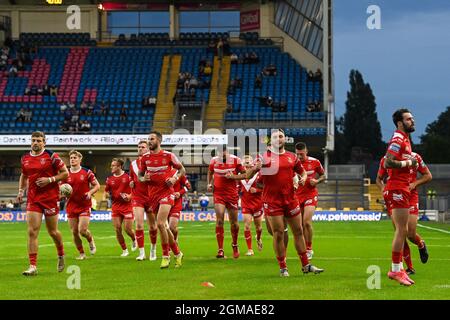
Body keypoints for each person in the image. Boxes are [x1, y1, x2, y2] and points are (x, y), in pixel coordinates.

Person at [245, 129, 324, 277]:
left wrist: (303, 177)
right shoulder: (263, 157)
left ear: (284, 139)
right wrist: (254, 168)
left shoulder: (292, 157)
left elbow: (303, 172)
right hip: (272, 202)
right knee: (279, 234)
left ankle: (306, 265)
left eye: (281, 136)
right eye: (275, 137)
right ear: (271, 140)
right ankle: (283, 268)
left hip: (291, 199)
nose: (279, 139)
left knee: (299, 231)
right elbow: (249, 175)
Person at [16, 131, 69, 276]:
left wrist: (50, 180)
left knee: (53, 231)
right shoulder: (25, 158)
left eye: (39, 140)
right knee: (32, 231)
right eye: (33, 140)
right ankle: (32, 266)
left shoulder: (51, 156)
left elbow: (65, 173)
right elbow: (24, 175)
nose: (36, 143)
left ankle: (61, 254)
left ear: (44, 142)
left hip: (50, 198)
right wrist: (21, 191)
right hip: (33, 199)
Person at [377, 152, 432, 276]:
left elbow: (428, 175)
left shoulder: (415, 157)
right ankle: (408, 268)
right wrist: (383, 188)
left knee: (410, 233)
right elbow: (378, 179)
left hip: (410, 195)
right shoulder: (386, 159)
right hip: (394, 195)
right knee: (400, 231)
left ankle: (420, 243)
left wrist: (414, 184)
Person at [383, 108, 421, 286]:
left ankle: (399, 270)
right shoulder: (398, 139)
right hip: (397, 187)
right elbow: (388, 161)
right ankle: (395, 270)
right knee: (401, 230)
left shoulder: (405, 139)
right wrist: (408, 163)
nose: (412, 121)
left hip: (403, 188)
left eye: (412, 118)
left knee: (403, 230)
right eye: (408, 119)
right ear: (400, 123)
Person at [137, 131, 185, 269]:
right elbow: (140, 175)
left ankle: (165, 256)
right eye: (148, 139)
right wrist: (142, 179)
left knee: (160, 223)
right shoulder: (145, 158)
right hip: (152, 195)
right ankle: (178, 253)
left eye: (151, 139)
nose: (149, 141)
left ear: (159, 140)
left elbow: (182, 170)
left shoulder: (168, 155)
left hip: (167, 193)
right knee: (164, 226)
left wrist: (175, 178)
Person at [207, 145, 247, 259]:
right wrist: (209, 184)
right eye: (220, 154)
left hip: (232, 194)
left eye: (224, 154)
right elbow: (210, 172)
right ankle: (220, 250)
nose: (222, 156)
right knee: (219, 220)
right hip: (218, 194)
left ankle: (234, 244)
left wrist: (233, 176)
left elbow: (245, 175)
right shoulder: (214, 161)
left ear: (227, 152)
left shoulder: (236, 160)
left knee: (234, 223)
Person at [65, 150, 100, 260]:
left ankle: (90, 240)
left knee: (82, 230)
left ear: (80, 159)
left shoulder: (86, 172)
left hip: (84, 205)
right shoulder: (65, 173)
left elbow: (97, 186)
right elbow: (61, 188)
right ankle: (82, 254)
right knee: (74, 232)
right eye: (71, 158)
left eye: (75, 157)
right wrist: (62, 193)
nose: (72, 159)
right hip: (71, 205)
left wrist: (90, 193)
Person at [294, 142, 326, 259]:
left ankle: (309, 248)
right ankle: (303, 249)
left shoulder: (315, 162)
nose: (299, 157)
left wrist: (317, 181)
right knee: (300, 225)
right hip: (297, 196)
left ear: (306, 151)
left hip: (310, 194)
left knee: (307, 222)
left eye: (301, 154)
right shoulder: (292, 163)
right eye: (297, 154)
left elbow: (323, 175)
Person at [129, 140, 158, 261]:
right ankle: (141, 253)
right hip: (137, 197)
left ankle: (153, 249)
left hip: (151, 197)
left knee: (152, 226)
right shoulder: (133, 164)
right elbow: (131, 177)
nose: (140, 148)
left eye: (143, 147)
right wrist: (131, 182)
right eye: (139, 147)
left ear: (148, 149)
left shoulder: (152, 162)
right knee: (139, 224)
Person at [105, 158, 137, 257]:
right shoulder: (109, 179)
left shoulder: (128, 177)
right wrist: (106, 196)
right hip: (116, 206)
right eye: (111, 165)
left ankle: (134, 239)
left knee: (127, 229)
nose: (111, 167)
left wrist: (130, 196)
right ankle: (124, 250)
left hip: (127, 206)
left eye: (113, 165)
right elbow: (106, 191)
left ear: (119, 166)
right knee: (117, 229)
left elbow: (135, 190)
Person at [239, 155, 264, 256]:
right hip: (246, 204)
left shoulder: (258, 175)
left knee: (259, 228)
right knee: (246, 226)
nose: (247, 164)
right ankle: (250, 249)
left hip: (257, 204)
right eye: (245, 162)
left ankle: (258, 238)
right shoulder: (240, 176)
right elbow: (237, 188)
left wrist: (257, 190)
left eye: (248, 162)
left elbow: (266, 188)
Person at [168, 169, 191, 244]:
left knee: (172, 227)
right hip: (164, 203)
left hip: (176, 204)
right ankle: (169, 246)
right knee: (166, 228)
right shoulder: (162, 171)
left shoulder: (178, 173)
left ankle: (174, 240)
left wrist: (179, 192)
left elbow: (188, 186)